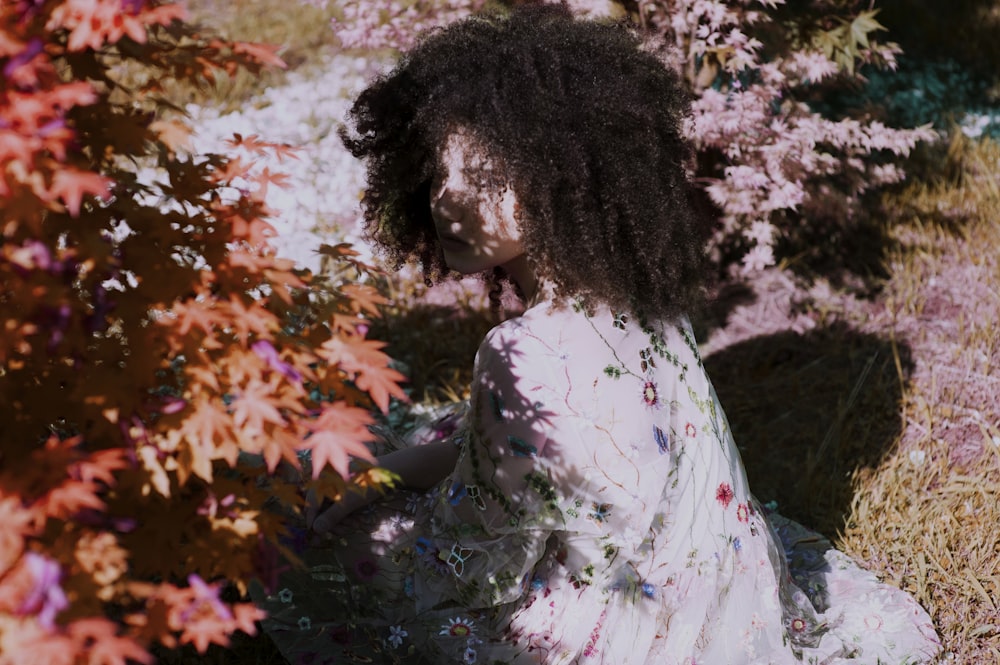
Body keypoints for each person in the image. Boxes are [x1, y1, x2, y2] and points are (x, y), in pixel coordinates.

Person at [253, 6, 941, 664]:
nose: (447, 199)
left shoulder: (520, 353)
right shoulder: (641, 296)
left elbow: (477, 570)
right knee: (436, 442)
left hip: (610, 629)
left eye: (487, 175)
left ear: (562, 180)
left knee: (330, 546)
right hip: (715, 597)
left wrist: (374, 501)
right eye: (438, 171)